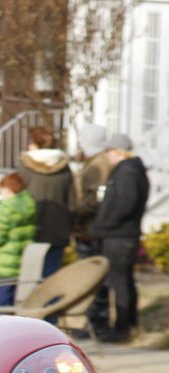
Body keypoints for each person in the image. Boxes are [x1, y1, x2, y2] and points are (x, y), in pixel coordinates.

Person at [90, 133, 149, 343]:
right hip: (123, 233)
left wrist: (104, 225)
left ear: (117, 151)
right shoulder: (133, 170)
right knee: (124, 281)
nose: (108, 156)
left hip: (119, 235)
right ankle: (128, 324)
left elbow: (126, 202)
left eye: (109, 152)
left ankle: (123, 328)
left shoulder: (127, 172)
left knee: (120, 282)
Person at [71, 123, 113, 336]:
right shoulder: (92, 162)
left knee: (94, 278)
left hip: (92, 228)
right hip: (86, 228)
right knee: (89, 277)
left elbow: (97, 198)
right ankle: (93, 322)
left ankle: (98, 324)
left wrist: (76, 212)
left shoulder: (99, 164)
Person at [17, 126, 73, 278]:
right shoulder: (64, 168)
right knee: (50, 276)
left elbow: (17, 198)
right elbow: (71, 201)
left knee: (28, 275)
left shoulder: (25, 167)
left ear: (35, 144)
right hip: (58, 226)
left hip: (30, 226)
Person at [0, 172, 38, 306]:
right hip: (20, 258)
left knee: (2, 301)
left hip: (4, 261)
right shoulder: (29, 203)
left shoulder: (6, 207)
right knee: (15, 300)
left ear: (7, 188)